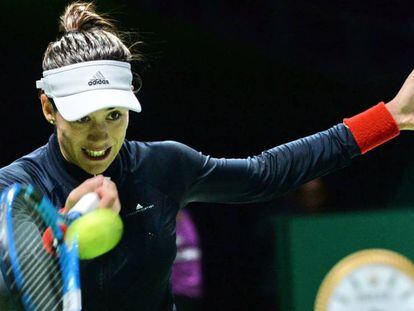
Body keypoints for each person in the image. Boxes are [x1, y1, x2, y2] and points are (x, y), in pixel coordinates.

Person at [0, 2, 413, 310]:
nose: (101, 135)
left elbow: (266, 174)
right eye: (83, 118)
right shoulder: (15, 190)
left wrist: (390, 118)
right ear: (47, 108)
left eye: (114, 115)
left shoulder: (162, 167)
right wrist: (60, 233)